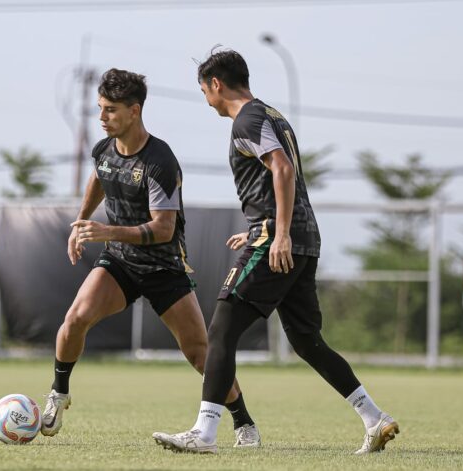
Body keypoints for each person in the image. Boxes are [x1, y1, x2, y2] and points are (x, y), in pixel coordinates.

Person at [152, 50, 399, 455]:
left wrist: (276, 232)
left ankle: (205, 433)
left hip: (278, 240)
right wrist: (263, 228)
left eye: (203, 90)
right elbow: (275, 179)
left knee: (220, 331)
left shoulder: (247, 118)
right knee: (307, 341)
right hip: (298, 237)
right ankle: (374, 418)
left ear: (216, 84)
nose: (205, 100)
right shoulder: (272, 115)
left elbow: (282, 169)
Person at [41, 68, 261, 448]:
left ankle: (244, 422)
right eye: (100, 108)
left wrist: (106, 231)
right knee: (75, 319)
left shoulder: (160, 162)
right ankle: (58, 394)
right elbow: (99, 175)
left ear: (135, 111)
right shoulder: (103, 149)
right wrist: (81, 222)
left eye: (110, 110)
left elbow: (162, 229)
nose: (102, 117)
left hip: (163, 267)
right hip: (120, 262)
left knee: (199, 353)